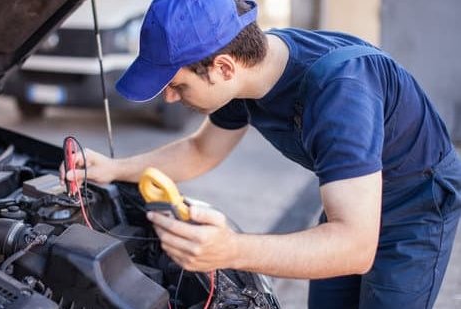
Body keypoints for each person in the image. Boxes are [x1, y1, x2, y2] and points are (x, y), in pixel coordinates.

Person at [60, 0, 461, 308]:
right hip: (352, 197)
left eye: (177, 84)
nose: (169, 96)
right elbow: (200, 150)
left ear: (222, 68)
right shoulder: (245, 75)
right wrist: (113, 168)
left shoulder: (341, 91)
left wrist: (231, 249)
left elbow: (354, 246)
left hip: (415, 205)